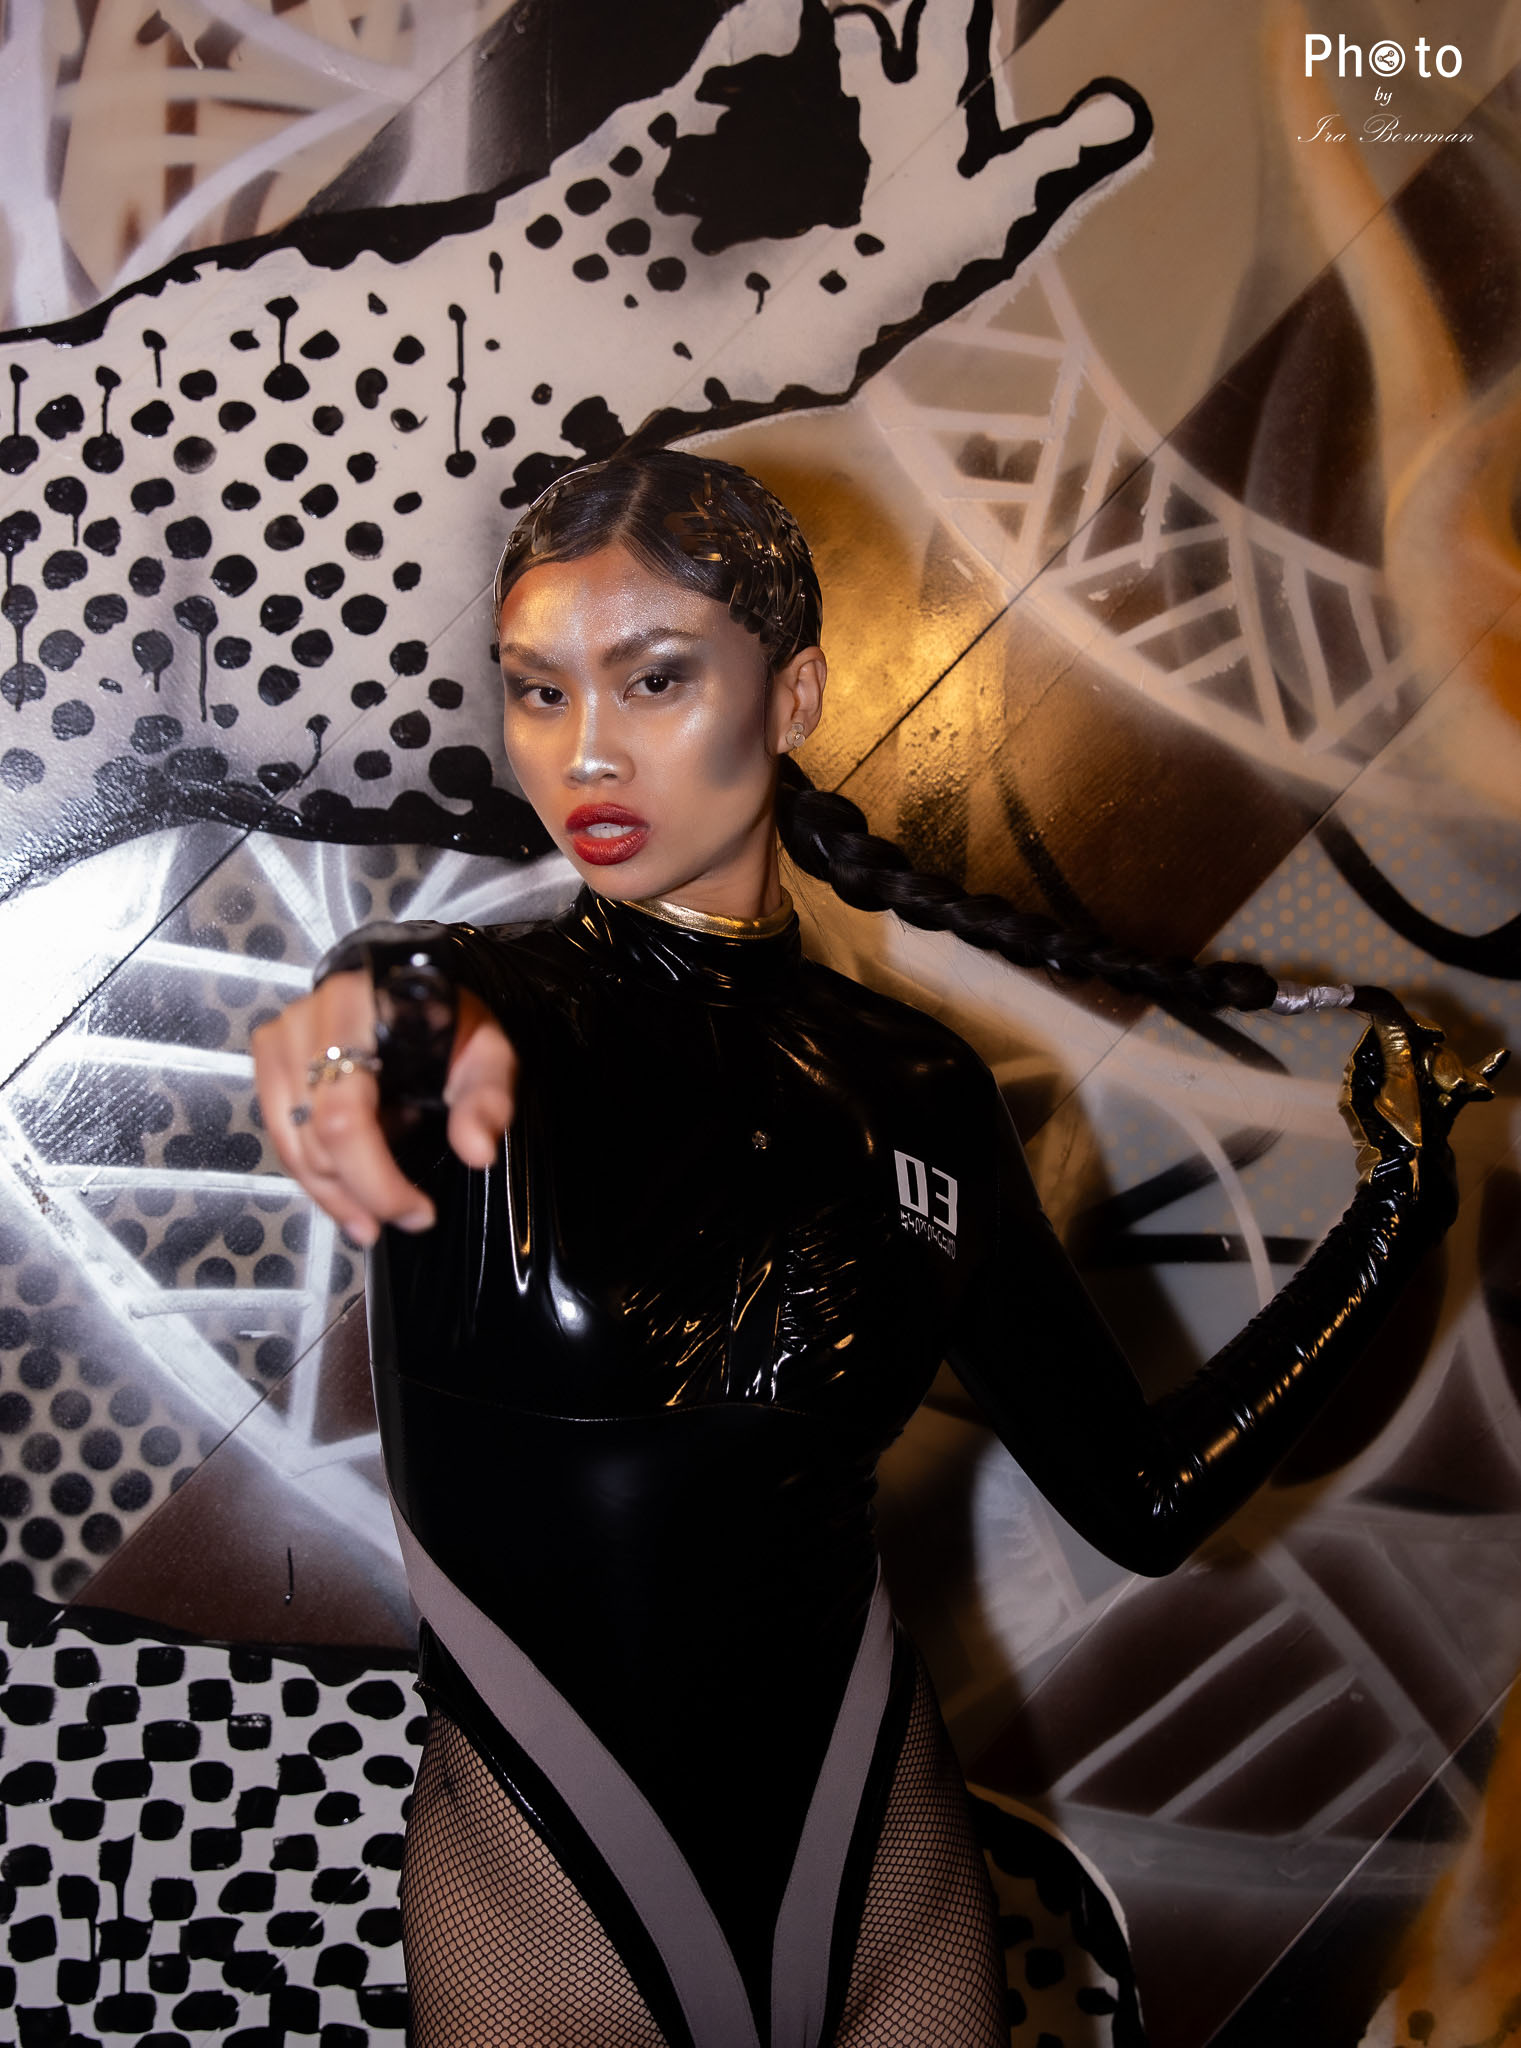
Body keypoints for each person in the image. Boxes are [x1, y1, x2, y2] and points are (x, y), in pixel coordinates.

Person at [250, 450, 1503, 2048]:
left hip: (882, 1879)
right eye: (538, 690)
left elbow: (1138, 1500)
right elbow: (387, 1001)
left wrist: (1393, 1211)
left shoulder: (916, 1088)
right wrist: (355, 1031)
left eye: (653, 678)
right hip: (556, 1916)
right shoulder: (483, 1018)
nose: (586, 748)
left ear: (792, 696)